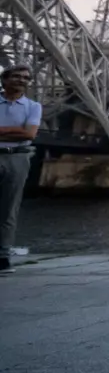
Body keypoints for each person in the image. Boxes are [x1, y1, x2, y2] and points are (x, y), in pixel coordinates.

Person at [0, 64, 40, 275]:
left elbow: (29, 135)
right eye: (16, 76)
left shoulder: (33, 106)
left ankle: (3, 257)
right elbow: (23, 131)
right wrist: (17, 130)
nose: (21, 80)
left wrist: (7, 132)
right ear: (4, 80)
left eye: (25, 78)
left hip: (18, 158)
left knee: (9, 210)